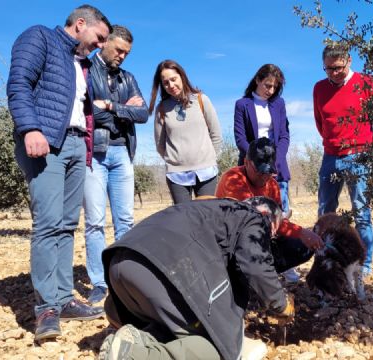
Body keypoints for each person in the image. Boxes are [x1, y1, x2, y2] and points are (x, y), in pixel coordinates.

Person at [7, 5, 111, 341]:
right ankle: (46, 308)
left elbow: (81, 107)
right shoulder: (39, 37)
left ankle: (65, 299)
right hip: (46, 141)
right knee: (49, 224)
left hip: (77, 144)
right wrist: (29, 128)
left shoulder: (84, 63)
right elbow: (19, 83)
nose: (100, 45)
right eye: (99, 38)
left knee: (68, 225)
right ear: (81, 24)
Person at [98, 197, 295, 360]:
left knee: (180, 328)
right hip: (159, 271)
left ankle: (131, 332)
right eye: (273, 233)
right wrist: (280, 304)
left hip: (118, 264)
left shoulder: (207, 209)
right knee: (219, 348)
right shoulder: (252, 216)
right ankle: (134, 355)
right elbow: (255, 265)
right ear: (269, 219)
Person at [83, 25, 149, 305]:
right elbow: (88, 112)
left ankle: (123, 277)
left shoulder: (128, 78)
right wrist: (123, 110)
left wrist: (110, 106)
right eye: (119, 50)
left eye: (127, 53)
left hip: (123, 153)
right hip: (95, 153)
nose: (122, 56)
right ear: (104, 43)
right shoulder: (86, 70)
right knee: (95, 222)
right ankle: (99, 282)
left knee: (126, 221)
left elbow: (143, 113)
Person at [313, 44, 373, 275]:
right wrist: (332, 142)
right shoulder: (319, 88)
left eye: (338, 68)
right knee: (325, 211)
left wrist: (370, 143)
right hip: (331, 156)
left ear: (349, 61)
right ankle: (326, 258)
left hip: (359, 155)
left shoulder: (365, 83)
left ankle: (365, 264)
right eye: (328, 69)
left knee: (361, 212)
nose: (334, 73)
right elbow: (320, 122)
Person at [216, 138, 323, 283]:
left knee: (303, 246)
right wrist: (300, 231)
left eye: (268, 172)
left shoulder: (272, 185)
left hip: (261, 239)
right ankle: (241, 278)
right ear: (246, 162)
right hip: (233, 243)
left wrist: (297, 233)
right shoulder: (233, 179)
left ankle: (261, 276)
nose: (264, 177)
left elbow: (278, 220)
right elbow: (249, 219)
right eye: (260, 171)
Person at [149, 60, 222, 204]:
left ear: (182, 76)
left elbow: (216, 134)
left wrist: (209, 158)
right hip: (176, 174)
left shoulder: (201, 100)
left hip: (206, 171)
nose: (171, 85)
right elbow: (160, 144)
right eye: (166, 83)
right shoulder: (162, 109)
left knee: (207, 217)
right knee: (183, 219)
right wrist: (175, 160)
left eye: (173, 79)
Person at [234, 64, 291, 218]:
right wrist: (257, 162)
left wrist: (275, 160)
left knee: (281, 218)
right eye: (268, 85)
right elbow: (240, 139)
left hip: (277, 168)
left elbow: (284, 135)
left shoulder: (279, 103)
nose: (271, 91)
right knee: (251, 217)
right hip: (251, 169)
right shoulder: (242, 105)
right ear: (258, 80)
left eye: (275, 87)